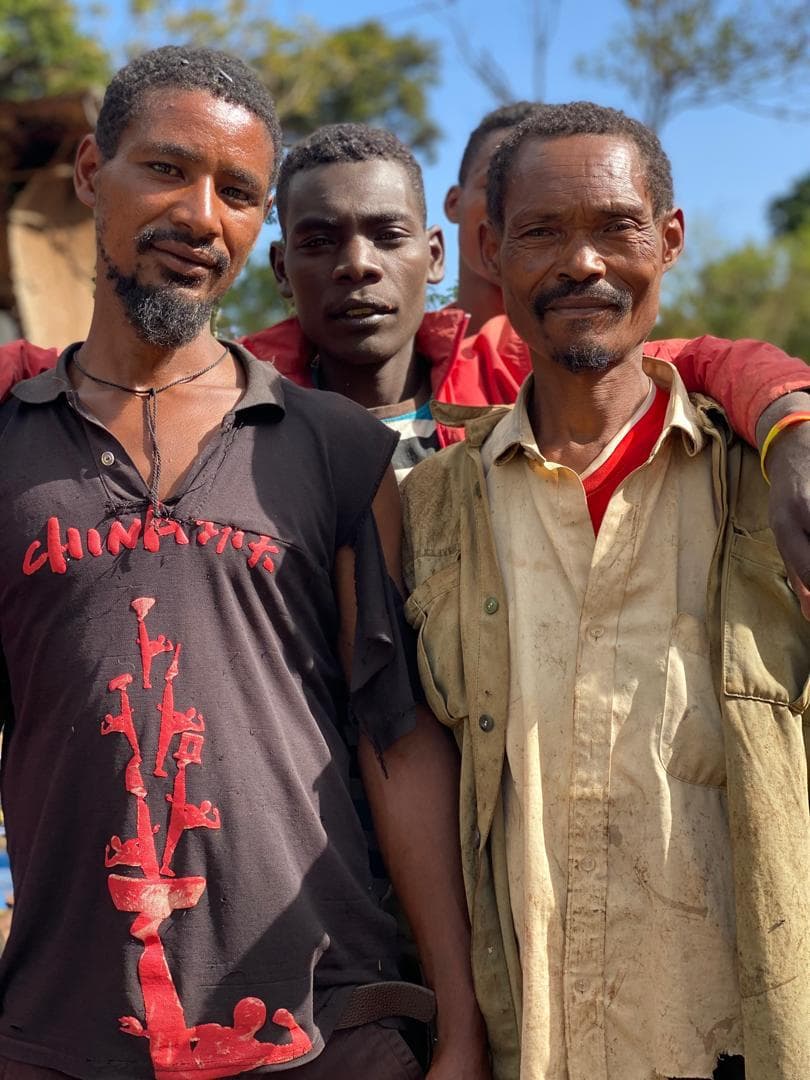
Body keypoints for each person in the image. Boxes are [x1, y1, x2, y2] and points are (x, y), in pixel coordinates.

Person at [0, 46, 490, 1080]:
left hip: (326, 1028)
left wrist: (458, 1024)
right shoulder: (9, 441)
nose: (199, 216)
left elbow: (392, 745)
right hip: (65, 1031)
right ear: (92, 172)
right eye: (165, 170)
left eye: (236, 193)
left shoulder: (335, 451)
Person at [401, 102, 810, 1080]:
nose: (582, 264)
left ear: (669, 241)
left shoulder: (766, 489)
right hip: (523, 1045)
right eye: (543, 232)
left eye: (616, 228)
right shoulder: (430, 514)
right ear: (493, 250)